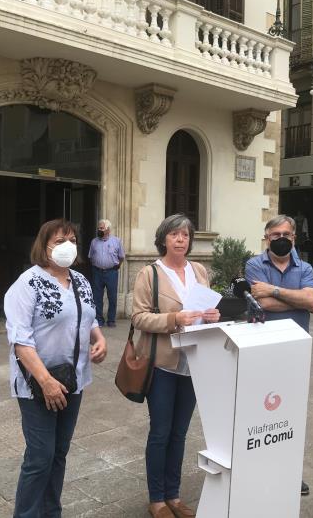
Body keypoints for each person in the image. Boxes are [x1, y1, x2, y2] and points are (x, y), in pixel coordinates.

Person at [5, 219, 108, 518]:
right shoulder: (27, 283)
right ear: (44, 245)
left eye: (73, 240)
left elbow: (89, 317)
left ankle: (51, 512)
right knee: (40, 457)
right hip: (38, 383)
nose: (68, 246)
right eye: (60, 240)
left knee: (58, 454)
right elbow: (20, 339)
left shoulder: (81, 280)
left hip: (73, 381)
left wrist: (98, 339)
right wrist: (45, 381)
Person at [131, 214, 220, 518]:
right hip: (163, 365)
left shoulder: (199, 270)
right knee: (160, 432)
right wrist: (173, 319)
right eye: (175, 235)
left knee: (180, 433)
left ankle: (174, 494)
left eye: (185, 235)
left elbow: (208, 307)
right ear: (164, 239)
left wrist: (212, 315)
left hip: (194, 362)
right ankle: (157, 498)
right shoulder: (149, 274)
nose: (181, 240)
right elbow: (139, 317)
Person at [245, 214, 313, 497]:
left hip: (295, 350)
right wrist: (294, 298)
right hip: (261, 350)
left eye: (286, 234)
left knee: (293, 415)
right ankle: (258, 469)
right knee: (260, 413)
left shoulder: (306, 266)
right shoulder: (254, 264)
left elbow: (311, 300)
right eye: (275, 235)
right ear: (267, 237)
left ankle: (289, 471)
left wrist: (273, 291)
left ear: (294, 237)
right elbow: (260, 304)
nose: (281, 239)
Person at [88, 219, 125, 328]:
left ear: (108, 230)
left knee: (112, 297)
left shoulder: (116, 241)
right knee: (97, 297)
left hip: (111, 272)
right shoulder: (94, 242)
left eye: (102, 228)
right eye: (99, 228)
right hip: (97, 272)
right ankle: (99, 320)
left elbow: (121, 257)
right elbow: (90, 256)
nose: (99, 230)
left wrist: (116, 266)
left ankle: (111, 320)